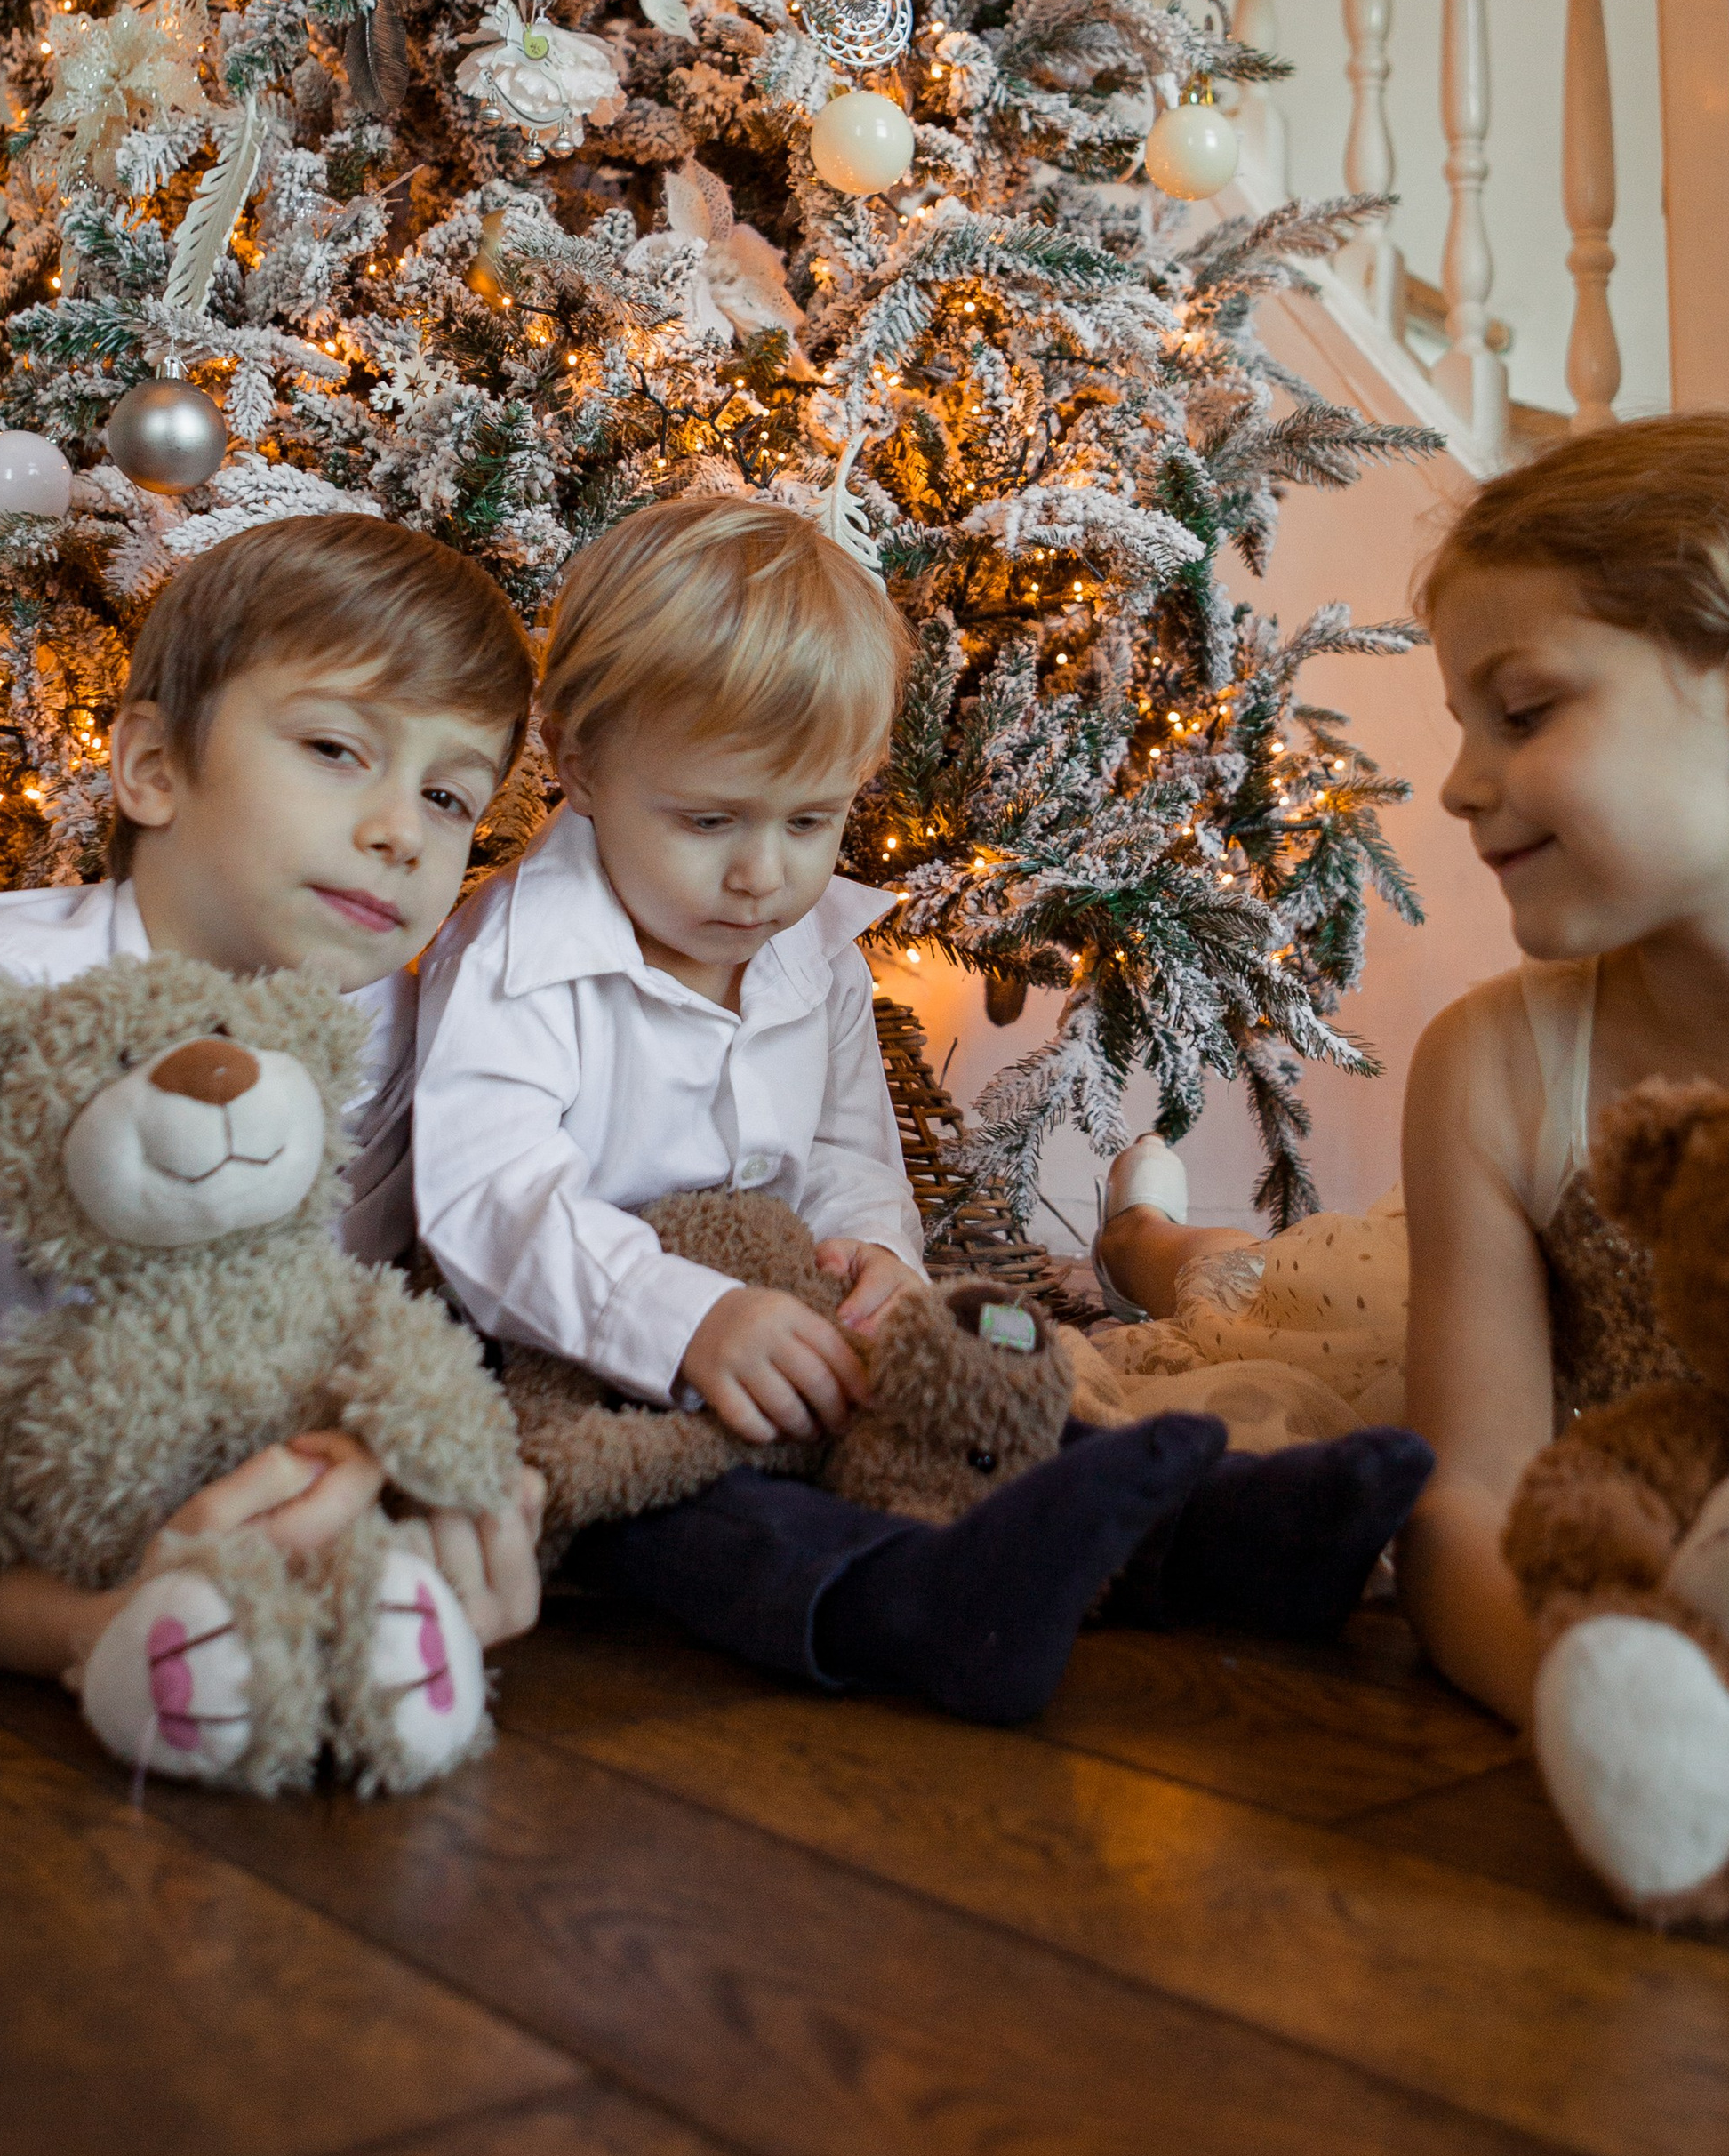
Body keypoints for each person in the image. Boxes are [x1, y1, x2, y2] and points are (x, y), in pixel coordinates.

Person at [1099, 414, 1729, 1723]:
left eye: (1525, 712)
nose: (1457, 785)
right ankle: (1143, 1235)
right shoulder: (1494, 1069)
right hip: (1426, 1311)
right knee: (1277, 1297)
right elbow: (1468, 1509)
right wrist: (1625, 1718)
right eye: (1466, 725)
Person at [415, 494, 1428, 1724]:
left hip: (786, 1323)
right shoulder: (515, 958)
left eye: (811, 820)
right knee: (700, 1512)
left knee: (979, 1401)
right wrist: (684, 1321)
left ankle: (1204, 1536)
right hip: (573, 1360)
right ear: (577, 759)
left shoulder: (810, 953)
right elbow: (489, 1199)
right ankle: (898, 1601)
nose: (763, 874)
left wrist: (879, 1264)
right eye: (709, 820)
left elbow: (849, 1154)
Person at [0, 510, 548, 1687]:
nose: (402, 831)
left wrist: (407, 1503)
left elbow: (316, 1343)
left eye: (451, 798)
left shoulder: (415, 1040)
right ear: (151, 767)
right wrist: (114, 1630)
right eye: (336, 748)